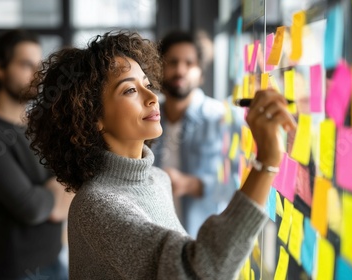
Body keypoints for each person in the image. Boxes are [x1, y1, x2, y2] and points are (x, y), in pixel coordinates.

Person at [25, 31, 296, 279]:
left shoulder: (157, 179)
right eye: (130, 90)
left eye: (146, 84)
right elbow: (198, 271)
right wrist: (266, 163)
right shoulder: (96, 205)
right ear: (93, 117)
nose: (152, 97)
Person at [0, 30, 72, 280]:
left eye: (39, 66)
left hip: (56, 258)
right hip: (15, 271)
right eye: (26, 65)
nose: (37, 75)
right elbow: (32, 208)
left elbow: (73, 183)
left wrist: (54, 194)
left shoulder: (41, 126)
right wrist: (58, 194)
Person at [151, 30, 237, 237]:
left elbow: (240, 186)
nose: (180, 70)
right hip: (155, 239)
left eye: (189, 63)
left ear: (201, 74)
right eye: (172, 62)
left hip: (203, 241)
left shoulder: (221, 118)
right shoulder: (147, 117)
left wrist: (192, 185)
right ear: (159, 69)